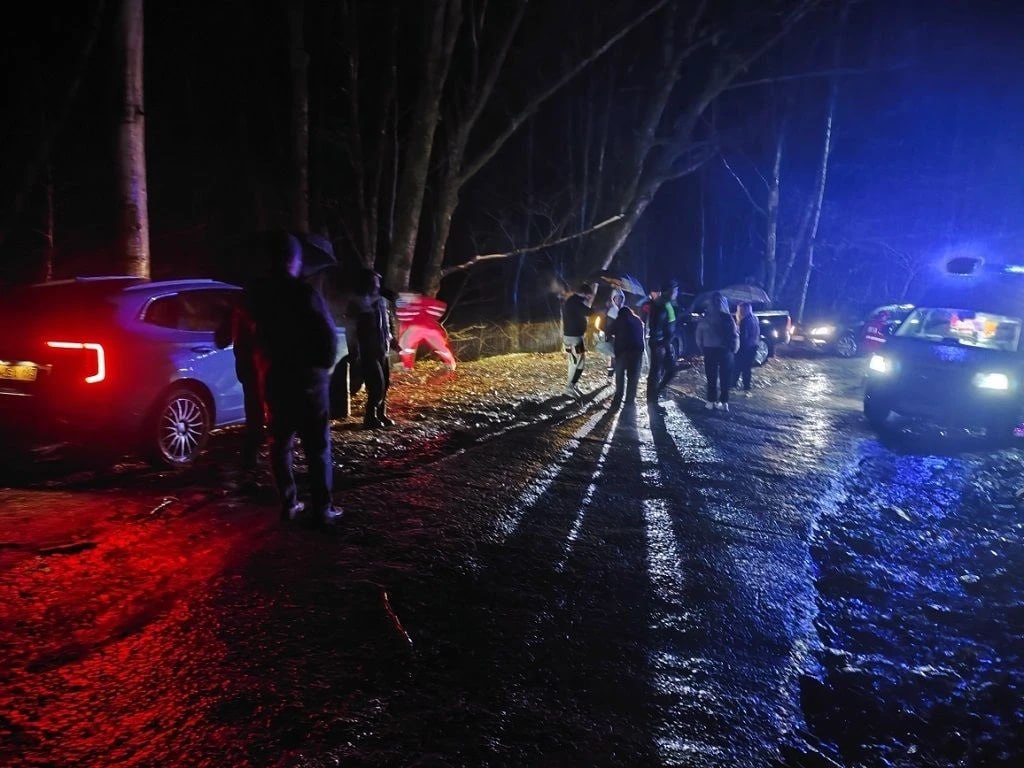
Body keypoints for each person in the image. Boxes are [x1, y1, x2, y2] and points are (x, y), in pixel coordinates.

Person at [250, 232, 342, 525]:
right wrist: (323, 367)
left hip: (275, 379)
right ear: (293, 260)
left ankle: (289, 504)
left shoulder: (258, 295)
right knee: (317, 447)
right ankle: (322, 509)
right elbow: (327, 337)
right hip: (308, 381)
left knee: (280, 444)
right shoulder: (304, 293)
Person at [215, 288, 264, 477]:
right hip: (261, 366)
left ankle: (252, 455)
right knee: (259, 410)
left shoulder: (237, 310)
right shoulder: (253, 313)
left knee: (254, 410)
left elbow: (221, 339)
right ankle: (254, 454)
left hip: (249, 367)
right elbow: (223, 338)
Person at [349, 268, 396, 429]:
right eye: (374, 281)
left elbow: (388, 323)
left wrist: (393, 339)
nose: (377, 284)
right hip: (368, 349)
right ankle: (370, 417)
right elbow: (352, 326)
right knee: (376, 383)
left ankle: (380, 413)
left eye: (377, 281)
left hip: (383, 346)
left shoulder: (382, 301)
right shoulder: (359, 302)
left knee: (385, 382)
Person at [696, 291, 740, 412]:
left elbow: (698, 338)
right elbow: (734, 335)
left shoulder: (705, 319)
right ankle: (724, 402)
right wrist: (734, 349)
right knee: (725, 377)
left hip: (709, 350)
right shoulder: (728, 318)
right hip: (726, 351)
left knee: (711, 377)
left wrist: (703, 349)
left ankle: (711, 401)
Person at [395, 292, 456, 371]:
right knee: (406, 345)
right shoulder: (405, 307)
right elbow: (403, 319)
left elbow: (441, 306)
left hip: (424, 328)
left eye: (407, 296)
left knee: (406, 344)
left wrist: (430, 316)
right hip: (427, 328)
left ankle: (407, 366)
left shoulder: (422, 301)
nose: (405, 298)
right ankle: (451, 364)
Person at [646, 280, 680, 401]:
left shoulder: (654, 303)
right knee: (664, 370)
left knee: (656, 370)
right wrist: (667, 342)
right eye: (676, 290)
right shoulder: (667, 305)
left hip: (655, 341)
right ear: (671, 291)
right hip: (662, 342)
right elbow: (671, 326)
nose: (677, 292)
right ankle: (653, 395)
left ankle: (652, 395)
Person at [606, 303, 645, 408]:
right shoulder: (638, 321)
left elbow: (608, 333)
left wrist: (610, 339)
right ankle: (630, 400)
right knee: (633, 377)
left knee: (620, 376)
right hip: (637, 352)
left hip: (622, 352)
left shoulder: (619, 320)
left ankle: (618, 398)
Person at [562, 283, 596, 398]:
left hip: (573, 337)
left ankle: (573, 385)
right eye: (588, 295)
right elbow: (589, 312)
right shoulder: (575, 302)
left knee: (577, 362)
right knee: (577, 362)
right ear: (585, 293)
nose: (589, 298)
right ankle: (569, 388)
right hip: (574, 338)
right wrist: (596, 306)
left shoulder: (572, 301)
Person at [733, 301, 760, 396]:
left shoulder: (744, 321)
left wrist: (737, 326)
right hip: (754, 346)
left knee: (737, 367)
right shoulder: (755, 318)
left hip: (745, 347)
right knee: (747, 368)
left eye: (739, 310)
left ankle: (733, 385)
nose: (738, 312)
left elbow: (743, 337)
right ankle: (747, 387)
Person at [603, 288, 626, 377]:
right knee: (612, 357)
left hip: (623, 338)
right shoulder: (611, 312)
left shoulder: (625, 310)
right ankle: (610, 375)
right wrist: (607, 336)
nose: (618, 300)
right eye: (616, 298)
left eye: (620, 298)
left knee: (620, 357)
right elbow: (608, 327)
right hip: (613, 338)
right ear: (613, 299)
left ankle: (619, 375)